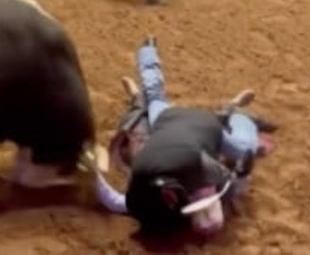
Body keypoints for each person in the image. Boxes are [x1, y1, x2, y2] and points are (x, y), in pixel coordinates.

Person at [94, 36, 277, 237]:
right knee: (150, 106)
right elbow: (114, 200)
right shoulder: (153, 181)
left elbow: (237, 172)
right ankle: (231, 110)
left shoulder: (205, 172)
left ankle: (231, 110)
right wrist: (93, 175)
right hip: (174, 123)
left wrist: (240, 175)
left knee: (243, 146)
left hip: (191, 124)